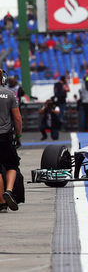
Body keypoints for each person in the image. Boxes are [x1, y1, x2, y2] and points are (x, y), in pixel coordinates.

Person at [0, 69, 23, 212]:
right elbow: (17, 118)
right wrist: (19, 136)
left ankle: (2, 204)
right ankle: (8, 190)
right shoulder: (9, 94)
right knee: (12, 165)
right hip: (5, 137)